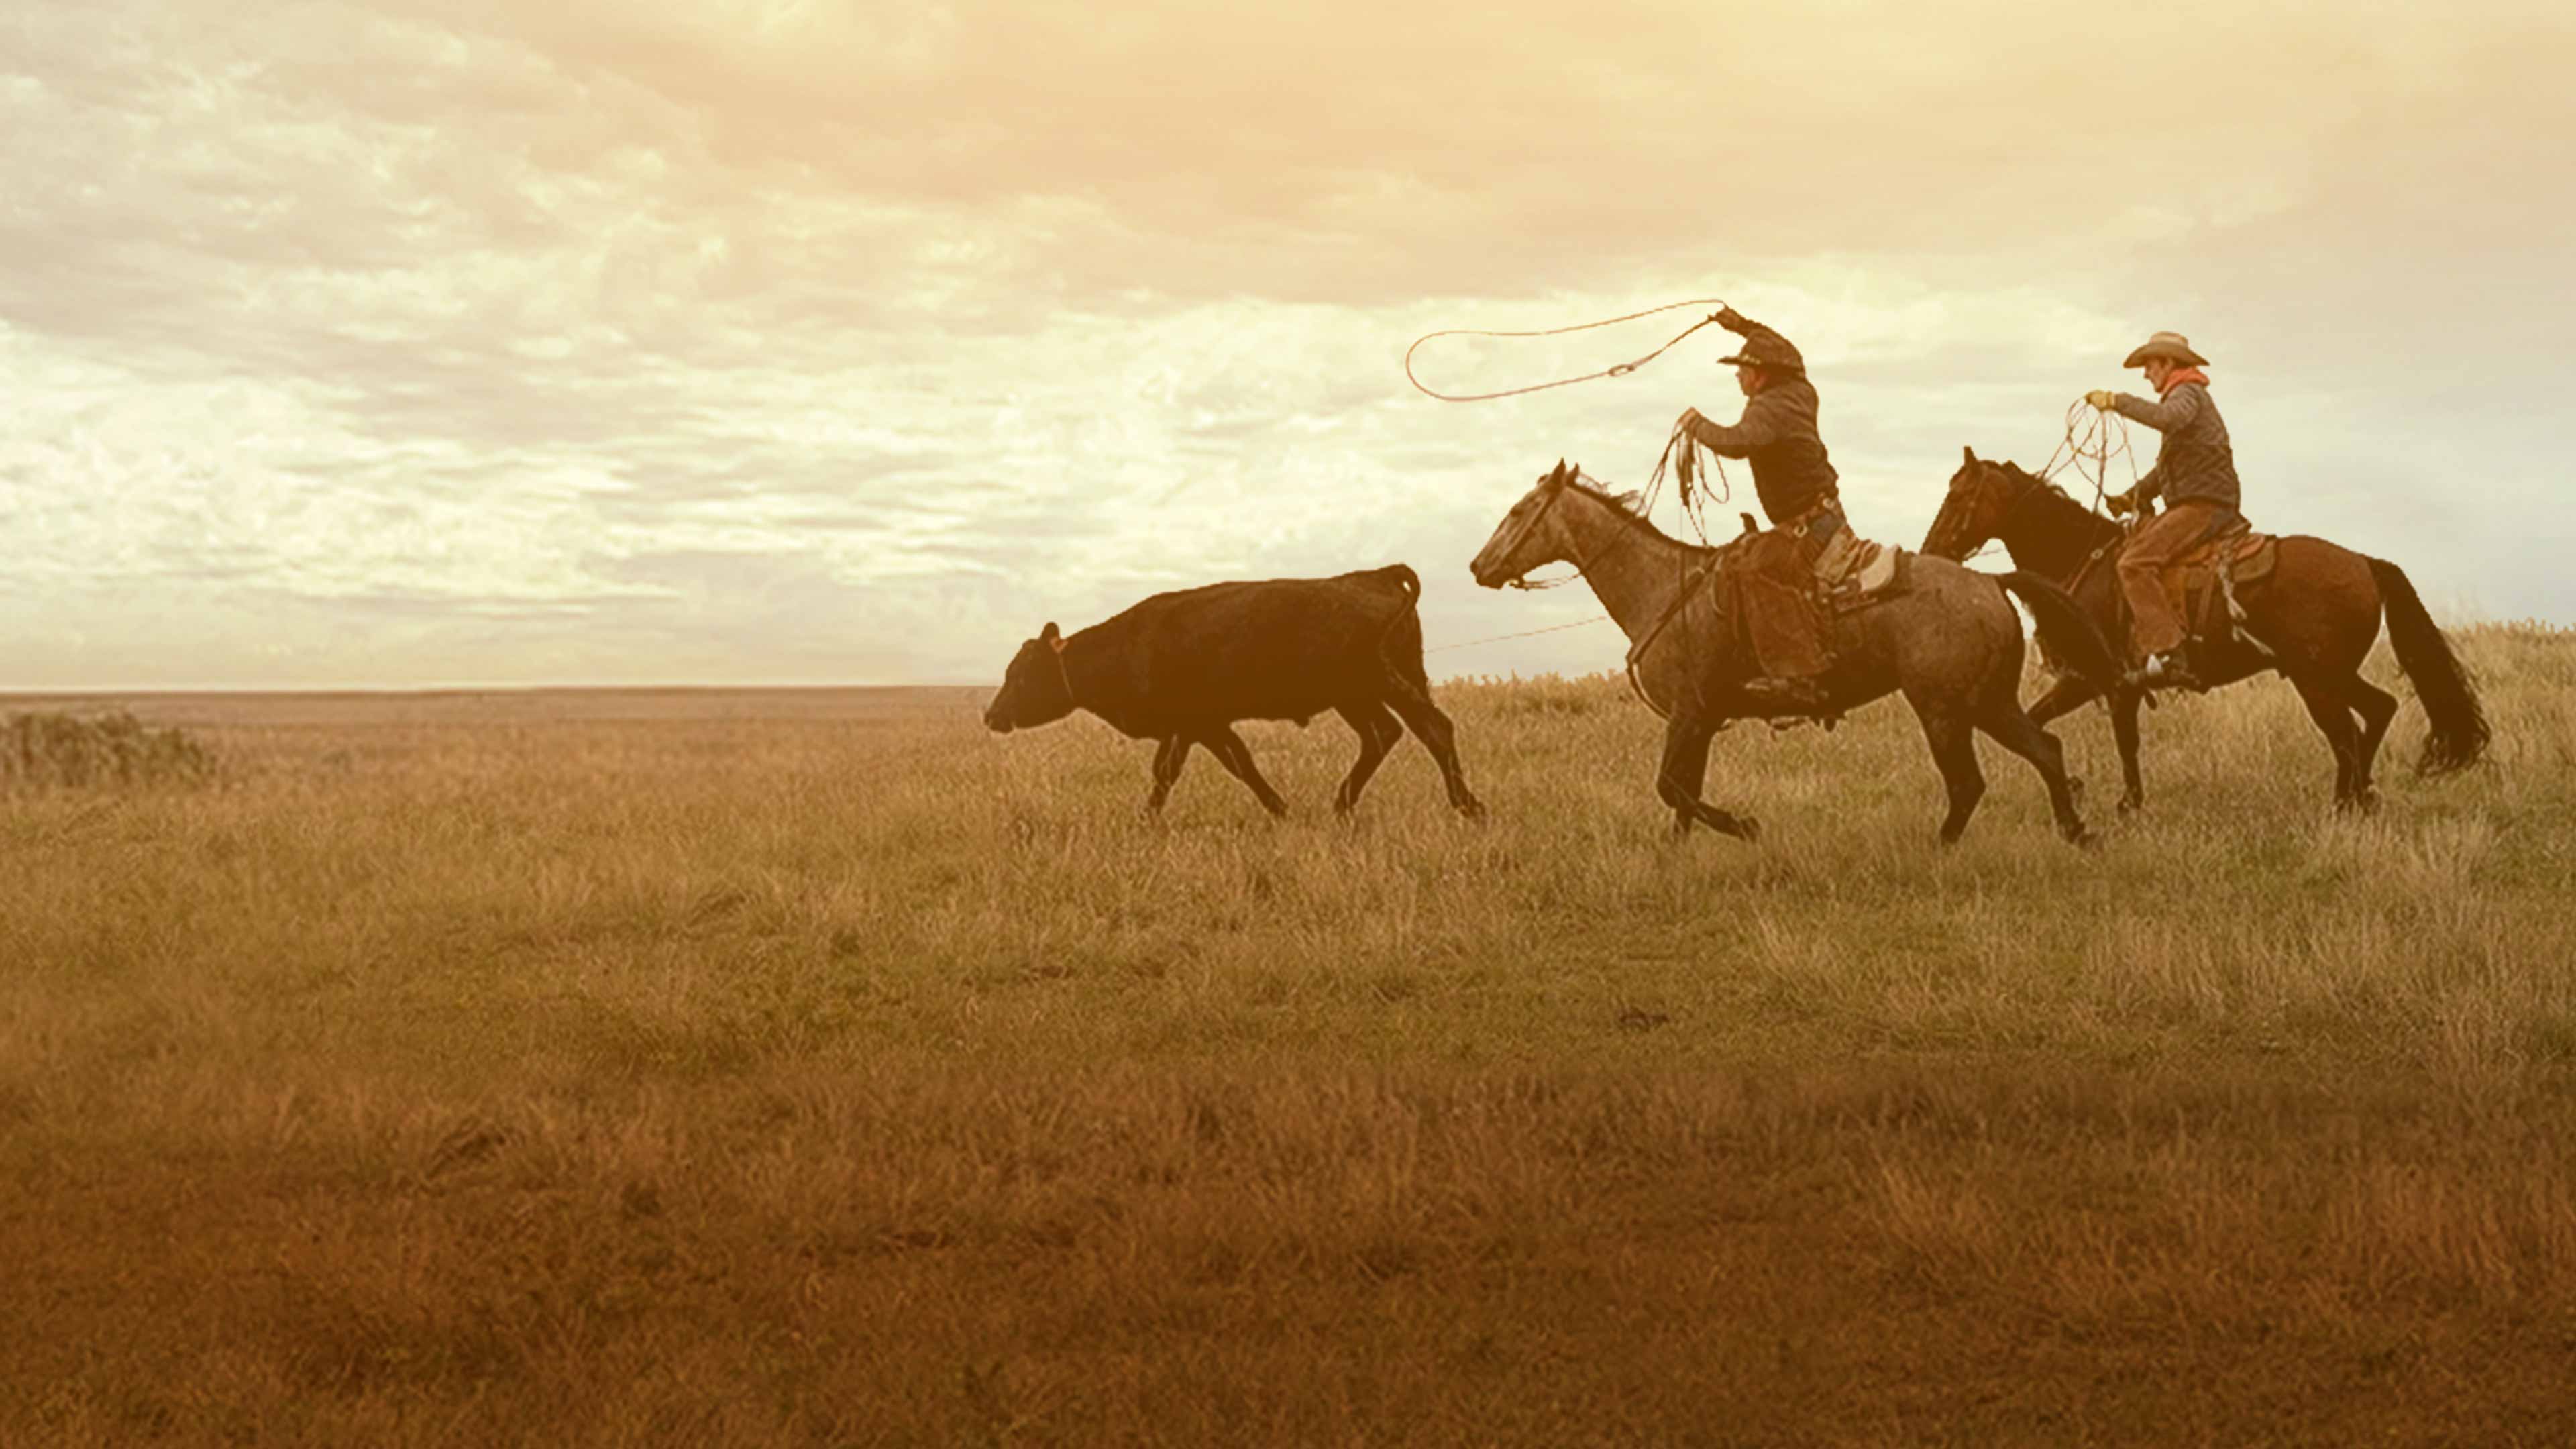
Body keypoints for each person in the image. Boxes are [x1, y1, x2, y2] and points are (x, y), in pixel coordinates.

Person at [1675, 307, 1847, 714]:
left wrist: (1694, 423)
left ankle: (1798, 680)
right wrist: (1741, 326)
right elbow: (1788, 352)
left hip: (1808, 526)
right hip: (1823, 516)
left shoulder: (1769, 410)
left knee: (1754, 570)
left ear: (1763, 374)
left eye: (1743, 370)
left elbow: (1738, 443)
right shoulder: (1801, 390)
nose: (1738, 376)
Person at [2084, 331, 2245, 690]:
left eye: (2149, 366)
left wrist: (2117, 401)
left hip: (2204, 505)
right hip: (2203, 501)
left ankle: (2171, 653)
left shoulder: (2187, 394)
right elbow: (2168, 470)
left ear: (2168, 363)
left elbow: (2168, 418)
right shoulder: (2190, 397)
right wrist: (2132, 496)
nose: (2145, 374)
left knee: (2134, 563)